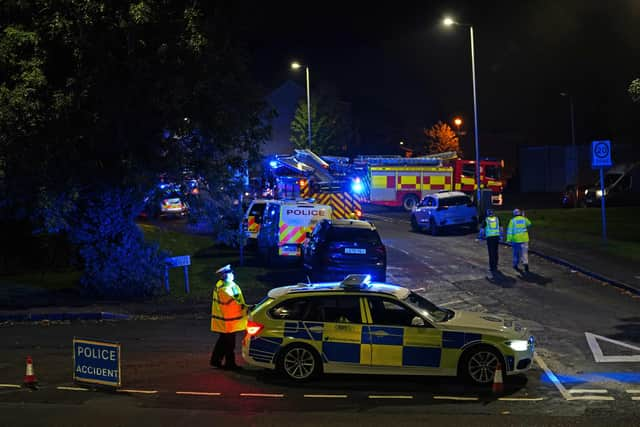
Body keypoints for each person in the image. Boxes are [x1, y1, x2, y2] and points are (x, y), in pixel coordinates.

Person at [210, 264, 247, 370]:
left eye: (232, 272)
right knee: (229, 344)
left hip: (228, 320)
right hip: (228, 321)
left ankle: (215, 361)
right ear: (224, 275)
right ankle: (230, 364)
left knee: (223, 341)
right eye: (230, 273)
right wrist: (244, 308)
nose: (232, 274)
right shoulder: (224, 288)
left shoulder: (228, 284)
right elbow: (232, 302)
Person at [506, 209, 532, 273]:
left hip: (516, 240)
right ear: (520, 213)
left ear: (514, 214)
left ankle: (515, 265)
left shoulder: (512, 221)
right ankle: (526, 266)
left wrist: (508, 239)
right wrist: (524, 217)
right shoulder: (524, 219)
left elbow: (509, 231)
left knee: (516, 253)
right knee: (524, 253)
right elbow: (529, 224)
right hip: (525, 239)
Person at [482, 209, 501, 279]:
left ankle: (492, 267)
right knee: (496, 252)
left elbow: (482, 229)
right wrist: (501, 236)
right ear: (493, 213)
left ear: (487, 213)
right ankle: (495, 266)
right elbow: (501, 228)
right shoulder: (497, 219)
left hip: (490, 238)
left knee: (491, 252)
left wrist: (481, 236)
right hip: (496, 237)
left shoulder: (486, 220)